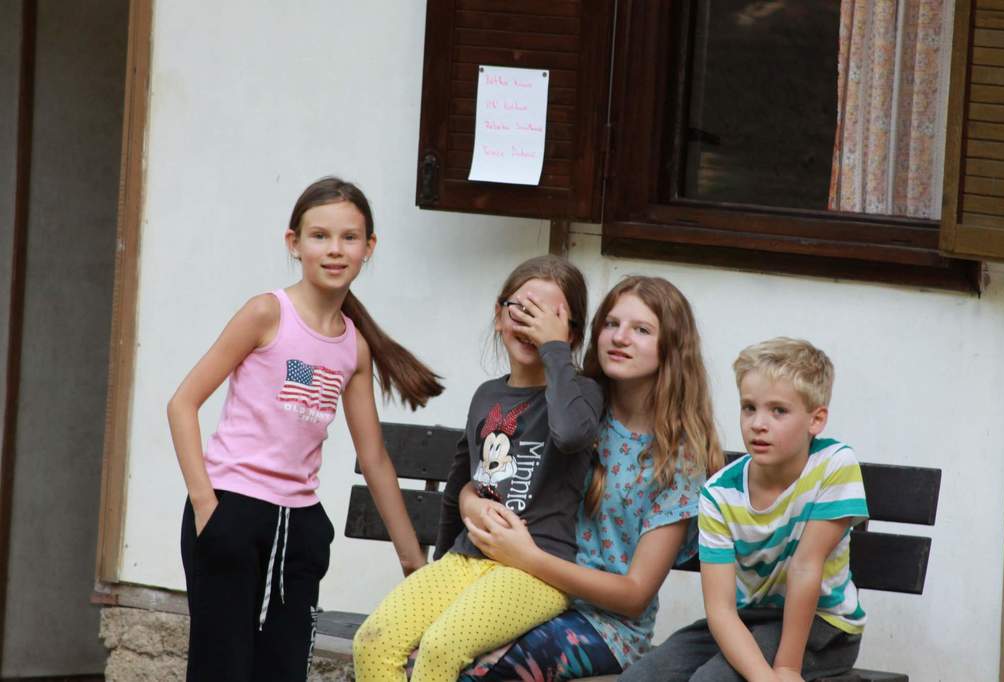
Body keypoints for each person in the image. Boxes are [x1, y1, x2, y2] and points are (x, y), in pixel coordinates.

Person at [167, 176, 443, 681]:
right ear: (294, 243)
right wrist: (207, 506)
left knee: (283, 670)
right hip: (233, 513)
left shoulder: (353, 346)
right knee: (221, 670)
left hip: (300, 529)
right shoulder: (266, 313)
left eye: (349, 237)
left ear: (368, 247)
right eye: (320, 236)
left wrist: (412, 565)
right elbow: (182, 404)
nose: (335, 249)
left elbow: (374, 458)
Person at [352, 255, 603, 682]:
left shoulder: (580, 394)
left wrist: (555, 352)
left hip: (535, 569)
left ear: (572, 333)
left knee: (441, 647)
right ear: (499, 314)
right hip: (467, 558)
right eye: (522, 309)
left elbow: (570, 435)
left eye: (549, 316)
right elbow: (460, 481)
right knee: (373, 641)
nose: (532, 323)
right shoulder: (487, 395)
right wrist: (440, 559)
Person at [459, 276, 724, 680]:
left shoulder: (679, 458)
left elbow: (635, 595)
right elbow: (486, 478)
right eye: (611, 324)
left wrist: (530, 558)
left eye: (641, 330)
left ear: (671, 348)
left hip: (605, 627)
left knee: (487, 669)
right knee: (426, 650)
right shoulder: (572, 411)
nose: (620, 338)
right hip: (520, 590)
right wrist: (471, 502)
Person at [621, 337, 867, 682]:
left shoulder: (834, 465)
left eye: (778, 411)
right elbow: (720, 610)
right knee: (640, 678)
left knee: (712, 681)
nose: (758, 423)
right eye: (749, 407)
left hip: (824, 625)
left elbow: (805, 567)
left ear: (816, 420)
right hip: (746, 619)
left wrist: (786, 669)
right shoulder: (719, 494)